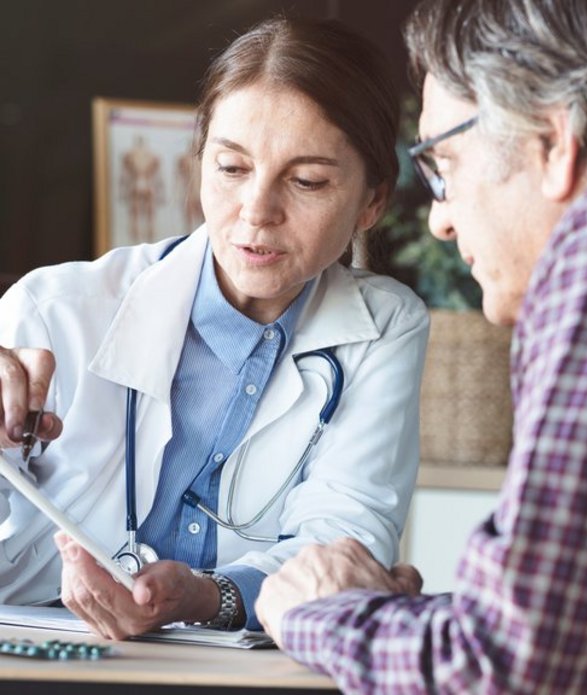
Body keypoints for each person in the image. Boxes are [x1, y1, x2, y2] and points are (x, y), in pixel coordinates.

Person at [255, 0, 587, 691]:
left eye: (442, 163)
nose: (439, 220)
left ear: (552, 140)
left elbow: (513, 663)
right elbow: (578, 628)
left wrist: (324, 613)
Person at [0, 17, 429, 639]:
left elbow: (342, 554)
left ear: (371, 201)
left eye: (307, 181)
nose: (257, 211)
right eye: (231, 168)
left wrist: (206, 598)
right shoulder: (53, 310)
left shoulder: (384, 328)